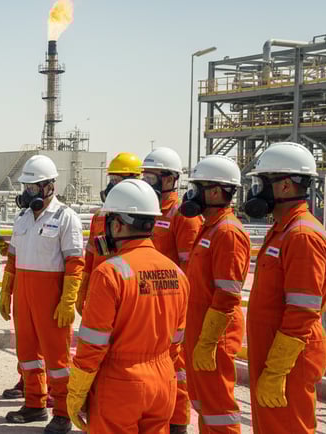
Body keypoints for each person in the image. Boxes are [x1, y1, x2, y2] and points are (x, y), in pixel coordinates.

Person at [67, 179, 189, 433]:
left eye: (108, 223)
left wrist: (77, 391)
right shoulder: (176, 273)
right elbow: (176, 343)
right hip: (163, 382)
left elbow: (93, 344)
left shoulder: (110, 273)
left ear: (119, 224)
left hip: (120, 383)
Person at [243, 142, 326, 433]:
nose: (256, 191)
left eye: (262, 183)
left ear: (283, 187)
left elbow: (302, 311)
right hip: (273, 354)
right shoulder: (283, 229)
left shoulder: (302, 235)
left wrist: (277, 369)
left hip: (290, 361)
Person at [0, 155, 84, 434]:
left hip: (51, 298)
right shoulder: (22, 216)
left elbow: (74, 262)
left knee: (57, 359)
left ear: (50, 187)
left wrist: (68, 299)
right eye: (27, 187)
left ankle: (62, 411)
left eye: (34, 188)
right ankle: (34, 403)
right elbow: (12, 256)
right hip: (24, 294)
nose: (29, 193)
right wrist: (6, 292)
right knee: (27, 354)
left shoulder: (65, 217)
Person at [180, 155, 250, 433]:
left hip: (215, 336)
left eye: (198, 187)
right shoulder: (209, 228)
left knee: (219, 407)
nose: (192, 194)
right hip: (200, 331)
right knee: (204, 403)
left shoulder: (228, 232)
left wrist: (209, 341)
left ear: (217, 192)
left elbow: (227, 294)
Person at [141, 146, 202, 433]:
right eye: (145, 176)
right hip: (146, 302)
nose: (147, 182)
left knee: (176, 365)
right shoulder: (148, 210)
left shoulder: (183, 216)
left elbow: (190, 269)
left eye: (152, 177)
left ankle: (178, 422)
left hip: (171, 306)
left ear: (170, 180)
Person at [77, 152, 142, 315]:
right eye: (110, 180)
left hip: (129, 292)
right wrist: (83, 289)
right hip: (100, 289)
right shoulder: (99, 217)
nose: (110, 187)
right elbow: (91, 255)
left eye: (115, 181)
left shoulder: (142, 221)